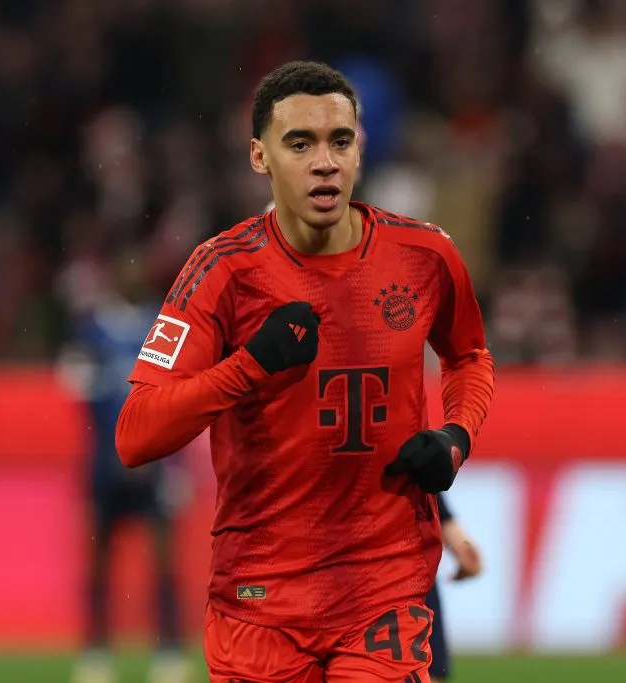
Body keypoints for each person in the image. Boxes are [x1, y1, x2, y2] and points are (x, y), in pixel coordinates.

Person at [116, 61, 495, 682]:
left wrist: (456, 438)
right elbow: (135, 435)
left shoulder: (426, 256)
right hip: (259, 602)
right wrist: (249, 367)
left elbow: (469, 357)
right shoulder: (221, 273)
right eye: (301, 144)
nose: (325, 162)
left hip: (385, 591)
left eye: (340, 141)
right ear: (260, 158)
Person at [63, 244, 191, 683]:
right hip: (106, 466)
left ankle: (170, 649)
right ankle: (96, 650)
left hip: (155, 465)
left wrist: (172, 466)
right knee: (99, 561)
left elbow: (177, 398)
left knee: (164, 560)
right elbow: (82, 398)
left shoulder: (164, 323)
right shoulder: (91, 328)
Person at [426, 494, 483, 682]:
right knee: (425, 671)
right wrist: (461, 546)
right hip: (412, 578)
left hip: (349, 578)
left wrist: (461, 546)